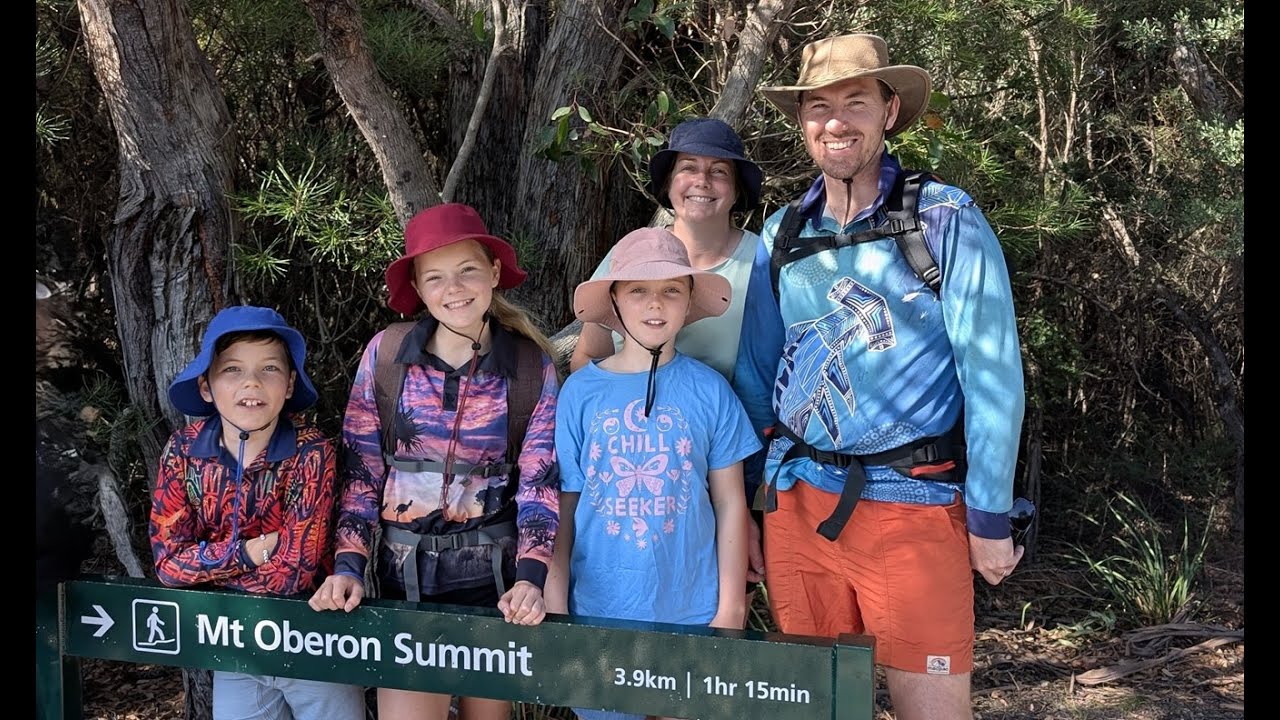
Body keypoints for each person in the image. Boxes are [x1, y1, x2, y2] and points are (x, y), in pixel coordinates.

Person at [745, 33, 1026, 720]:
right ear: (802, 121)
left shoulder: (943, 219)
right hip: (799, 504)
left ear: (889, 110)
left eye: (855, 102)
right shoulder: (783, 232)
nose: (835, 121)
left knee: (930, 709)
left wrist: (990, 514)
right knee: (810, 707)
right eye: (818, 106)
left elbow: (993, 376)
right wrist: (756, 500)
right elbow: (758, 372)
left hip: (913, 503)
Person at [308, 203, 560, 720]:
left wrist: (531, 579)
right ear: (419, 290)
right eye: (436, 277)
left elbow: (539, 484)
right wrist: (349, 566)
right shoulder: (386, 356)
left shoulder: (530, 368)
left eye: (468, 270)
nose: (455, 288)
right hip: (401, 583)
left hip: (497, 589)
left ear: (493, 272)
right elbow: (360, 476)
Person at [547, 227, 759, 720]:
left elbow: (730, 503)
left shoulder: (710, 391)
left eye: (671, 290)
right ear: (615, 304)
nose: (655, 304)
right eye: (638, 289)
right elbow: (565, 505)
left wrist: (730, 607)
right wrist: (556, 602)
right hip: (600, 607)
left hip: (692, 605)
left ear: (688, 304)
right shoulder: (580, 393)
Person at [569, 117, 783, 590]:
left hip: (728, 457)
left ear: (736, 189)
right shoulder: (630, 258)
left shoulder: (762, 261)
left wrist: (747, 503)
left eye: (719, 171)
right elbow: (588, 357)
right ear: (669, 184)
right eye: (688, 168)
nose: (702, 182)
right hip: (635, 457)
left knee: (715, 589)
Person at [148, 305, 366, 720]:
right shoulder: (183, 451)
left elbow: (295, 570)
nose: (251, 382)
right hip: (236, 644)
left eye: (269, 369)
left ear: (288, 386)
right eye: (232, 369)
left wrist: (212, 564)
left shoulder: (311, 451)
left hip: (314, 637)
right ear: (207, 386)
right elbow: (169, 566)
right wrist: (251, 552)